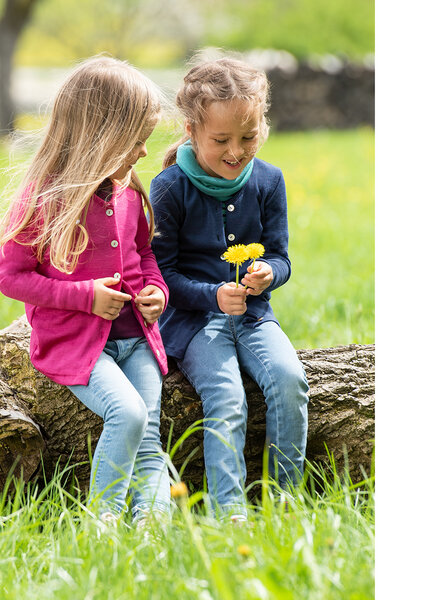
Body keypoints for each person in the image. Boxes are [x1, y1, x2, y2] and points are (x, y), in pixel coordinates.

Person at [0, 56, 171, 526]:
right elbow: (11, 278)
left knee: (150, 432)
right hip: (76, 344)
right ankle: (105, 523)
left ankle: (155, 531)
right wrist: (86, 297)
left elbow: (144, 255)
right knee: (129, 414)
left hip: (136, 336)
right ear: (102, 136)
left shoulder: (128, 192)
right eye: (135, 142)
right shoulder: (42, 199)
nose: (142, 154)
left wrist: (156, 292)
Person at [150, 57, 309, 522]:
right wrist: (213, 296)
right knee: (227, 396)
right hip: (195, 323)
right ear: (192, 130)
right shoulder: (169, 188)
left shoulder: (268, 180)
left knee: (290, 381)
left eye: (249, 137)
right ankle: (229, 512)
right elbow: (161, 275)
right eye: (221, 140)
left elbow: (282, 257)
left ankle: (283, 501)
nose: (236, 151)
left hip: (255, 316)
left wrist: (268, 273)